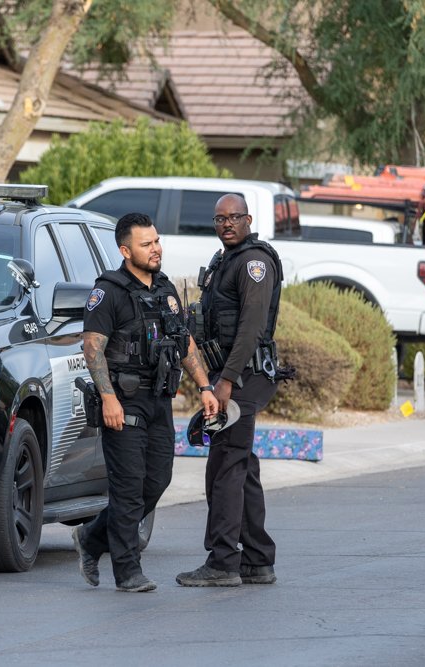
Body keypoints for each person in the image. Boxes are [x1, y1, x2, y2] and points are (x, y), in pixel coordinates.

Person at [74, 212, 218, 592]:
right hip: (123, 400)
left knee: (156, 481)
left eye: (156, 242)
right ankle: (127, 571)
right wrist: (108, 397)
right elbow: (92, 348)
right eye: (146, 244)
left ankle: (91, 538)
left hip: (158, 399)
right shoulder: (108, 291)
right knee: (127, 488)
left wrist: (205, 386)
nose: (156, 249)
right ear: (125, 250)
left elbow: (184, 340)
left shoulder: (165, 289)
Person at [176, 193, 286, 587]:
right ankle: (257, 559)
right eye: (219, 219)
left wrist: (225, 382)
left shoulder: (253, 263)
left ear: (248, 219)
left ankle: (223, 561)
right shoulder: (225, 260)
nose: (226, 224)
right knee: (241, 464)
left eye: (234, 217)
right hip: (233, 375)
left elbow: (251, 328)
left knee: (225, 465)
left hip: (243, 376)